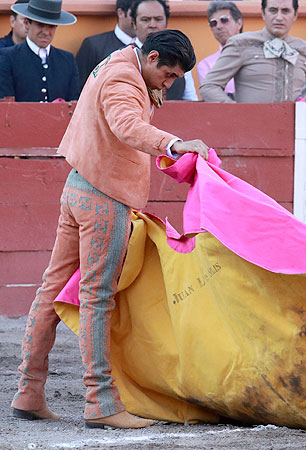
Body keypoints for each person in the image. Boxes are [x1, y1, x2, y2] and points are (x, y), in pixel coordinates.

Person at [11, 29, 210, 429]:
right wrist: (175, 144)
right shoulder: (124, 78)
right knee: (97, 297)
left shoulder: (121, 62)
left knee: (53, 289)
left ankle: (28, 391)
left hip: (80, 186)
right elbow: (126, 126)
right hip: (105, 197)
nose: (168, 84)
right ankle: (100, 402)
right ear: (151, 57)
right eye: (168, 75)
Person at [200, 0, 306, 112]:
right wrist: (237, 112)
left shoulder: (304, 49)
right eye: (273, 10)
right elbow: (209, 86)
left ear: (295, 15)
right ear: (263, 14)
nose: (279, 17)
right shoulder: (241, 44)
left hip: (295, 134)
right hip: (251, 134)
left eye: (285, 11)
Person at [0, 0, 79, 102]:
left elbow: (74, 105)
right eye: (40, 25)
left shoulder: (67, 60)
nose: (46, 32)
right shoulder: (8, 57)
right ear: (27, 23)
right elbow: (6, 107)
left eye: (51, 26)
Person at [130, 0, 198, 101]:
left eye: (158, 19)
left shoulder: (181, 57)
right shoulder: (125, 59)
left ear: (166, 23)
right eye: (145, 20)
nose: (152, 25)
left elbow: (191, 102)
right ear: (133, 24)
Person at [75, 0, 136, 90]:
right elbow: (80, 88)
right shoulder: (94, 45)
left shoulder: (150, 46)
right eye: (134, 15)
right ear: (121, 13)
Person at [196, 1, 243, 100]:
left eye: (224, 20)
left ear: (239, 23)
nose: (219, 26)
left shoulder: (258, 53)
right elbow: (212, 97)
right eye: (214, 23)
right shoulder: (205, 65)